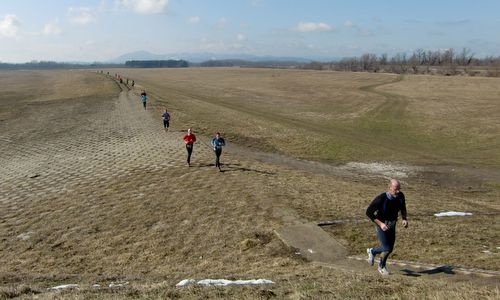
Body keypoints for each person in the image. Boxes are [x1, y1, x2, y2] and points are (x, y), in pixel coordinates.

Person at [366, 178, 408, 275]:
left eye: (399, 189)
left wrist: (404, 219)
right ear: (389, 187)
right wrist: (381, 224)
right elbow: (368, 212)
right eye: (395, 189)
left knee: (390, 248)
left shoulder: (400, 196)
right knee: (386, 247)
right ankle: (377, 259)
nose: (397, 191)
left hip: (392, 224)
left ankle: (376, 257)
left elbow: (403, 208)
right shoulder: (381, 198)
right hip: (381, 223)